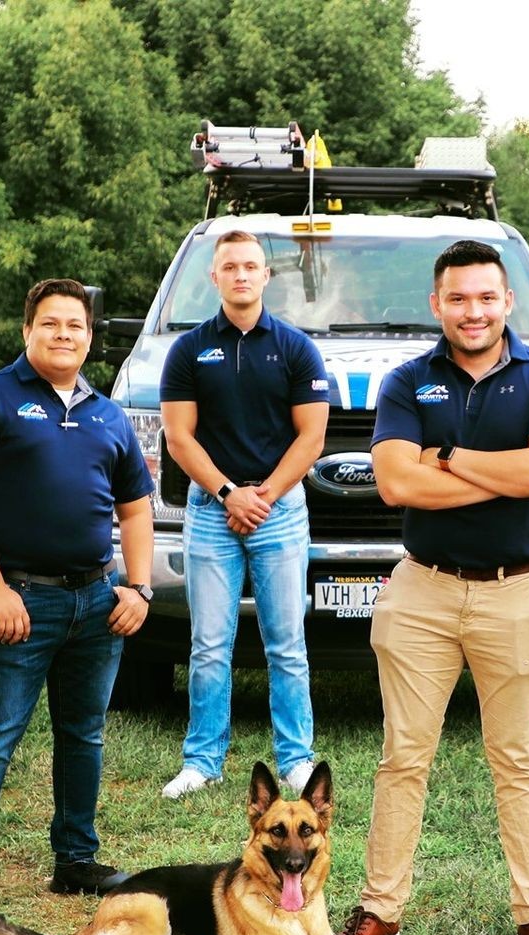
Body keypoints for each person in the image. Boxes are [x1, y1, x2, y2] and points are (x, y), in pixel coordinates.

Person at [332, 238, 529, 935]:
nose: (472, 311)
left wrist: (444, 457)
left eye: (485, 297)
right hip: (422, 589)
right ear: (436, 304)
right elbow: (396, 485)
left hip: (516, 590)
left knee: (517, 756)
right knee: (402, 758)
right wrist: (505, 476)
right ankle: (380, 913)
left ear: (508, 302)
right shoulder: (408, 382)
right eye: (457, 298)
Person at [0, 278, 155, 928]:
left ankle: (76, 860)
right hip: (18, 602)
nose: (64, 335)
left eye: (75, 326)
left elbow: (136, 506)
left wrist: (137, 586)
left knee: (83, 734)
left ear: (89, 337)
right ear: (27, 329)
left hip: (95, 601)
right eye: (51, 323)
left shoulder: (106, 414)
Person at [158, 230, 330, 799]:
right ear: (215, 277)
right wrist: (231, 492)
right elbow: (179, 438)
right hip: (212, 512)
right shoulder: (188, 351)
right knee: (209, 644)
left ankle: (296, 762)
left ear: (265, 276)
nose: (240, 274)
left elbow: (312, 437)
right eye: (229, 266)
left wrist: (263, 497)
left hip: (280, 512)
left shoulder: (297, 348)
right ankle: (203, 762)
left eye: (250, 266)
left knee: (287, 643)